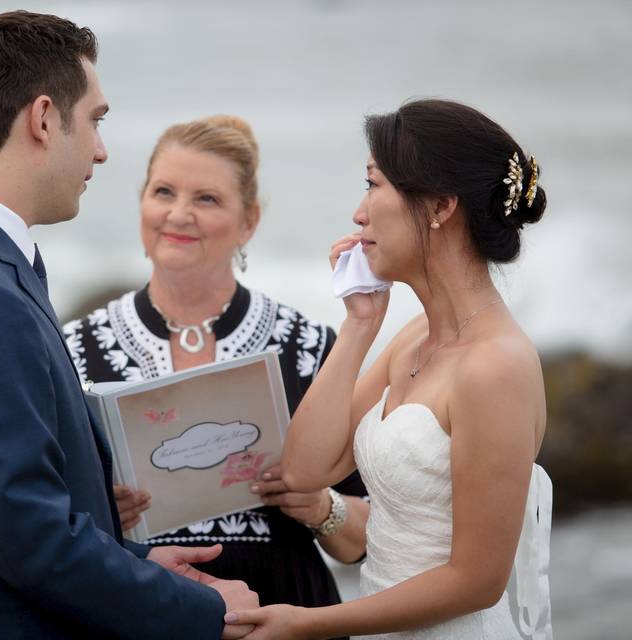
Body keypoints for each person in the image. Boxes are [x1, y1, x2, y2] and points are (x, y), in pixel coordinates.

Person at [0, 12, 257, 639]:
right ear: (43, 119)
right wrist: (205, 610)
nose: (100, 149)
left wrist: (138, 563)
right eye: (95, 119)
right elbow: (31, 545)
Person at [225, 99, 553, 639]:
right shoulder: (411, 338)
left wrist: (310, 624)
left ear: (441, 206)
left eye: (374, 184)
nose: (359, 212)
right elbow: (305, 470)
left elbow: (477, 581)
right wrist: (358, 323)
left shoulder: (496, 367)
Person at [62, 115, 370, 612]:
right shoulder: (73, 349)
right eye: (163, 192)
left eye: (206, 198)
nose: (178, 214)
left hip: (286, 611)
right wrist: (95, 513)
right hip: (137, 612)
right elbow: (37, 521)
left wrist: (319, 506)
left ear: (248, 220)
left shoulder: (308, 346)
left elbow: (366, 538)